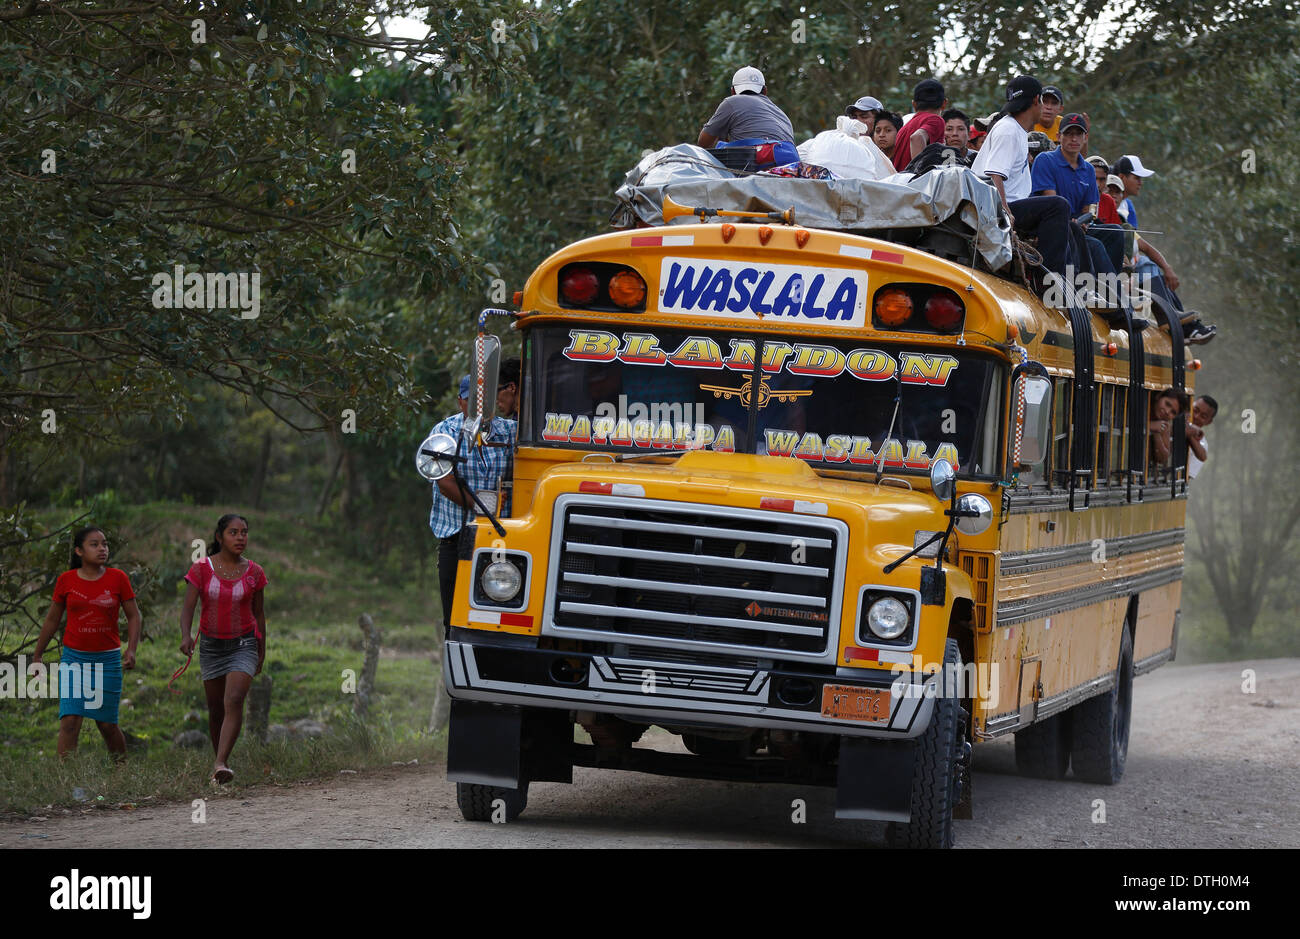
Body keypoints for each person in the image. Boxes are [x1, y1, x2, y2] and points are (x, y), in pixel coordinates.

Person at [427, 359, 519, 636]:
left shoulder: (510, 431)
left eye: (483, 401)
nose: (477, 408)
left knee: (497, 618)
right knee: (454, 619)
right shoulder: (444, 433)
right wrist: (484, 507)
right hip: (458, 538)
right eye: (471, 401)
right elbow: (445, 482)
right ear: (460, 402)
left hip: (502, 539)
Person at [32, 526, 141, 760]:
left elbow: (134, 615)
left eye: (105, 544)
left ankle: (121, 774)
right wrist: (37, 655)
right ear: (79, 551)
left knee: (106, 725)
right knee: (70, 721)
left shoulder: (118, 578)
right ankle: (66, 783)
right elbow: (52, 619)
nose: (102, 549)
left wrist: (131, 649)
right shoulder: (66, 580)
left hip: (108, 660)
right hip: (74, 659)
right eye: (95, 544)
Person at [179, 513, 268, 785]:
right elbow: (188, 607)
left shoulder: (255, 572)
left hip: (244, 643)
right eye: (233, 532)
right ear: (219, 537)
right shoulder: (202, 568)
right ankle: (221, 764)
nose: (240, 537)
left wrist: (262, 648)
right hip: (211, 647)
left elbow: (260, 613)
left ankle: (220, 762)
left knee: (235, 699)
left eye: (244, 532)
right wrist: (186, 635)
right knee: (216, 709)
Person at [971, 75, 1074, 285]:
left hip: (1007, 203)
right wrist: (1005, 211)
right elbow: (994, 174)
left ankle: (1083, 286)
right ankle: (1048, 283)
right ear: (1037, 100)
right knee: (1058, 206)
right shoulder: (1008, 130)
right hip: (993, 207)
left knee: (1072, 230)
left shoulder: (1017, 130)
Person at [1114, 155, 1217, 343]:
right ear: (1122, 178)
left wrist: (1167, 267)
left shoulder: (1127, 206)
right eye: (1136, 177)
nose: (1140, 183)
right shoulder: (1110, 203)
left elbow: (1137, 242)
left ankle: (1187, 327)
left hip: (1133, 267)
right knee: (1147, 267)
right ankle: (1177, 323)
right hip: (1121, 271)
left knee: (1150, 268)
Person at [697, 66, 795, 147]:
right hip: (788, 163)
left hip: (759, 159)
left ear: (733, 91)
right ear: (765, 91)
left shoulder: (732, 101)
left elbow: (703, 143)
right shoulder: (781, 114)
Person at [891, 79, 948, 172]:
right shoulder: (935, 120)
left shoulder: (905, 127)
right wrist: (921, 175)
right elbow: (917, 137)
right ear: (944, 103)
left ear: (914, 104)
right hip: (915, 185)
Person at [1148, 388, 1188, 471]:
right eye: (1167, 404)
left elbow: (1162, 458)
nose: (1167, 411)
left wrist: (1156, 433)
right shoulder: (1142, 407)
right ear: (1159, 396)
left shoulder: (1164, 425)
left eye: (1173, 412)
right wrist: (1148, 425)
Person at [1186, 394, 1218, 479]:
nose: (1196, 416)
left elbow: (1186, 478)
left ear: (1209, 422)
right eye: (1195, 410)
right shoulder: (1173, 415)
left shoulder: (1202, 445)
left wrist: (1191, 434)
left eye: (1203, 416)